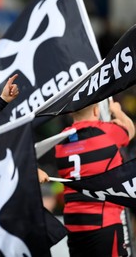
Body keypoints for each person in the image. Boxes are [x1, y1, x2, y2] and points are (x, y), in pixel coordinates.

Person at [55, 100, 135, 257]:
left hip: (74, 225)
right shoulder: (107, 132)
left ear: (72, 113)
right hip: (103, 223)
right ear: (96, 111)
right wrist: (117, 110)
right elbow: (130, 130)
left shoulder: (60, 142)